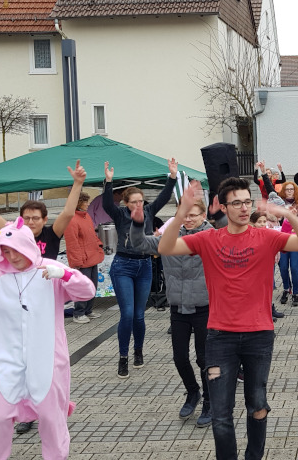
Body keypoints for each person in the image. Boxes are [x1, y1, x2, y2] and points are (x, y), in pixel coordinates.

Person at [157, 177, 298, 460]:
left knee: (257, 406)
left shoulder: (266, 237)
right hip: (219, 339)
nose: (244, 208)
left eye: (247, 202)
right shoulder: (208, 239)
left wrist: (288, 213)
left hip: (259, 337)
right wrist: (181, 213)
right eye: (236, 203)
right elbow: (165, 248)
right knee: (220, 413)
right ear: (223, 206)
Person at [0, 218, 96, 460]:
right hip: (5, 361)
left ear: (28, 245)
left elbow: (87, 292)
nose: (12, 257)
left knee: (51, 417)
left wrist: (65, 274)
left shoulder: (48, 269)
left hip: (47, 361)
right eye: (5, 251)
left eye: (16, 250)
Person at [0, 159, 87, 436]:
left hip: (42, 304)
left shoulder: (51, 233)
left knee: (43, 361)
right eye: (28, 218)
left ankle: (48, 409)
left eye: (37, 218)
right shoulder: (11, 232)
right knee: (16, 361)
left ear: (44, 220)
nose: (32, 222)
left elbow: (69, 212)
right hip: (14, 306)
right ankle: (23, 412)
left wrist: (78, 183)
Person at [129, 198, 215, 427]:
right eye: (184, 215)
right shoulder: (170, 238)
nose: (188, 219)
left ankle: (210, 401)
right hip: (178, 307)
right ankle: (193, 392)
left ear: (203, 216)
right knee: (179, 358)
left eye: (194, 215)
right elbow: (139, 244)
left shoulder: (212, 237)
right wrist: (138, 223)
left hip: (205, 307)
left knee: (204, 358)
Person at [101, 159, 178, 378]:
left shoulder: (149, 211)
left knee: (139, 316)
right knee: (126, 314)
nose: (138, 205)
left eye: (141, 201)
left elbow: (163, 197)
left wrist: (172, 177)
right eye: (134, 201)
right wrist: (108, 182)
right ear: (126, 203)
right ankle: (123, 357)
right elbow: (107, 204)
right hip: (123, 265)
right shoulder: (120, 215)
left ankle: (138, 352)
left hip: (144, 265)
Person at [65, 193, 105, 324]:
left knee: (93, 285)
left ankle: (88, 310)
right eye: (85, 202)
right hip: (82, 260)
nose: (88, 204)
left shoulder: (86, 216)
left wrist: (99, 246)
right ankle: (79, 313)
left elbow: (92, 235)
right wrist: (77, 261)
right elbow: (72, 242)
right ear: (78, 203)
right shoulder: (71, 219)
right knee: (82, 287)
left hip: (91, 256)